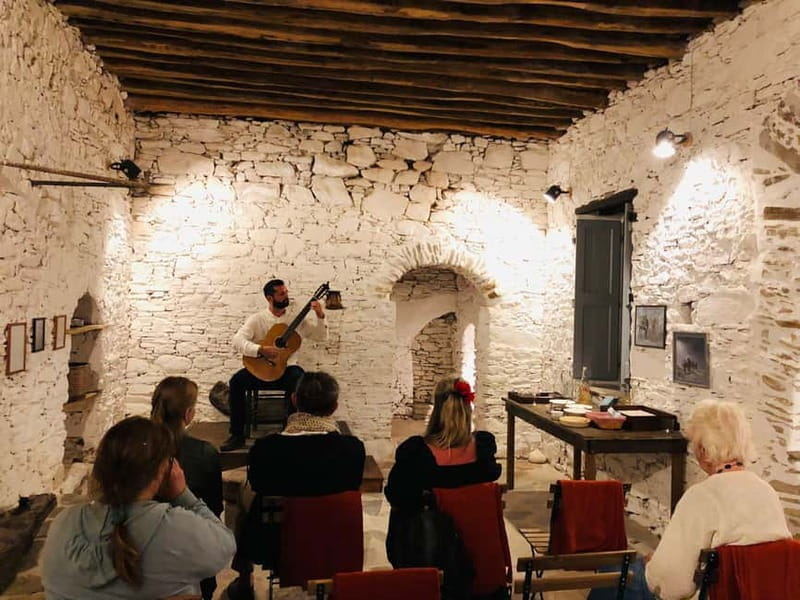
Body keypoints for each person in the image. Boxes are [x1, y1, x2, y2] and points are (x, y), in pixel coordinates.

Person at [41, 416, 235, 600]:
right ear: (163, 471)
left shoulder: (63, 524)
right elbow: (226, 548)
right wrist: (183, 496)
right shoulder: (177, 528)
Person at [226, 371, 365, 600]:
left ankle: (244, 577)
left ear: (294, 400)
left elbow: (259, 485)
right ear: (334, 407)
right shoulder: (353, 449)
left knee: (240, 495)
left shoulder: (267, 449)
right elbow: (352, 484)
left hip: (276, 538)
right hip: (332, 535)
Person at [644, 399, 791, 600]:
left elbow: (672, 587)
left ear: (704, 451)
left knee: (628, 573)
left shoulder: (701, 496)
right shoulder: (767, 492)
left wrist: (652, 569)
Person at [384, 376, 501, 565]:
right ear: (467, 408)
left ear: (436, 409)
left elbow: (395, 496)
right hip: (475, 552)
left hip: (428, 553)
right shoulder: (484, 453)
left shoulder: (415, 454)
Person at [222, 278, 327, 451]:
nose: (286, 296)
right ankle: (237, 434)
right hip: (261, 369)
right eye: (281, 294)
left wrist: (320, 316)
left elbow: (320, 336)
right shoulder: (257, 319)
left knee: (299, 381)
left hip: (287, 370)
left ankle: (292, 431)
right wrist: (260, 349)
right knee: (236, 382)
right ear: (269, 298)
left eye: (286, 292)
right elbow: (237, 341)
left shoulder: (296, 320)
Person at [150, 376, 223, 600]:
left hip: (143, 553)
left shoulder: (138, 450)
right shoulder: (204, 453)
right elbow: (214, 509)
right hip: (191, 552)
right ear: (189, 414)